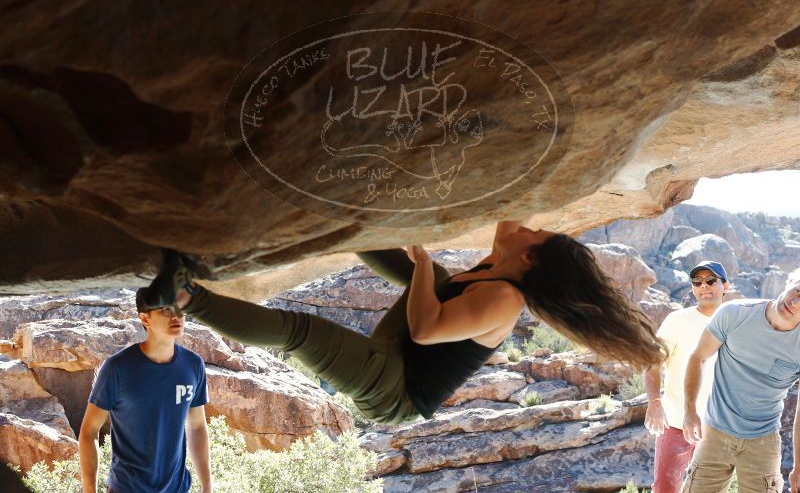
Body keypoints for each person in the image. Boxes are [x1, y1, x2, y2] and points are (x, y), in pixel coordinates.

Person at [137, 220, 667, 424]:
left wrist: (421, 265)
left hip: (396, 395)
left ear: (529, 258)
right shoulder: (489, 272)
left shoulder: (505, 298)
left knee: (303, 333)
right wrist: (405, 256)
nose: (525, 225)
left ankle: (182, 294)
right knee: (429, 273)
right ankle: (342, 224)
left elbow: (426, 330)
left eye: (535, 234)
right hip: (400, 357)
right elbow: (422, 293)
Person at [78, 296, 212, 493]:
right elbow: (88, 432)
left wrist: (207, 486)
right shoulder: (117, 368)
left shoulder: (193, 365)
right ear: (145, 319)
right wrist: (90, 490)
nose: (177, 316)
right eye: (166, 309)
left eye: (181, 308)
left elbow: (197, 426)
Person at [680, 276, 800, 492]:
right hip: (715, 432)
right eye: (798, 291)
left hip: (763, 440)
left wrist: (799, 467)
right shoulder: (735, 313)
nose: (795, 303)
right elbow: (698, 357)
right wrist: (689, 410)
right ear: (789, 282)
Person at [644, 261, 729, 493]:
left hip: (718, 430)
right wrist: (653, 402)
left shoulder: (735, 323)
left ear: (725, 286)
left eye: (711, 281)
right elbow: (652, 362)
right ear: (692, 288)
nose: (704, 286)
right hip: (675, 423)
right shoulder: (677, 321)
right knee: (665, 488)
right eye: (697, 282)